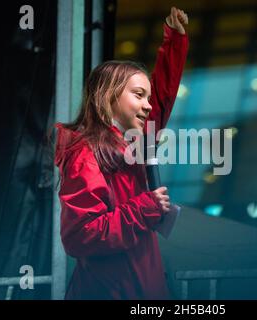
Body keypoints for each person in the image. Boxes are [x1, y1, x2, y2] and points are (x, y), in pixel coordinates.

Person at [54, 7, 189, 299]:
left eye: (148, 98)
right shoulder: (84, 154)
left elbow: (162, 100)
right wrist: (145, 208)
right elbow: (80, 237)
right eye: (138, 95)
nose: (149, 105)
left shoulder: (131, 142)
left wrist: (174, 42)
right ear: (107, 96)